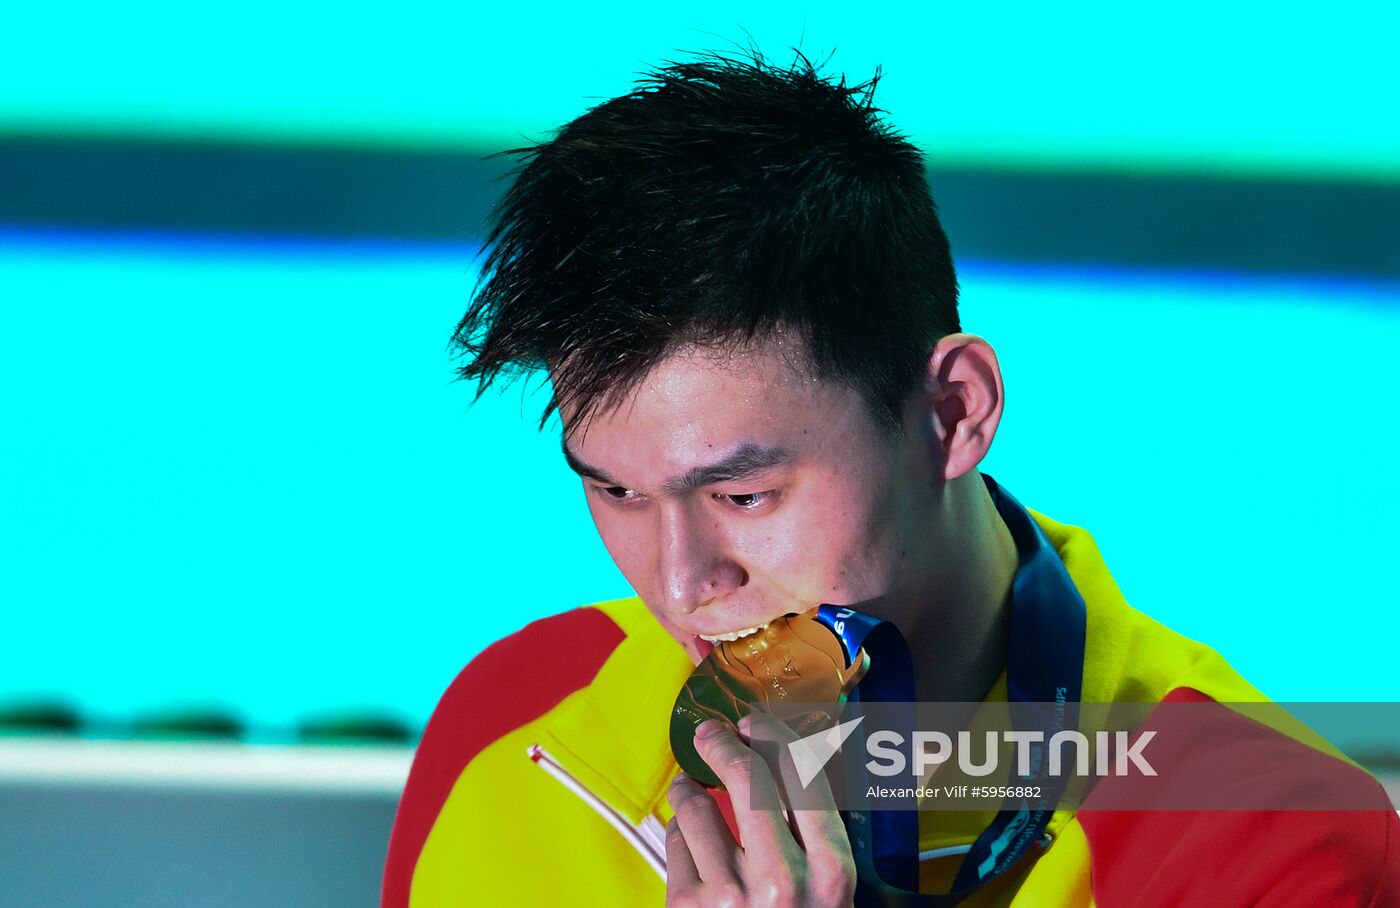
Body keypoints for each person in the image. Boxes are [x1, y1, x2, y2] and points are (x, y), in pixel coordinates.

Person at [381, 49, 1400, 907]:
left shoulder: (1274, 839)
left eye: (742, 495)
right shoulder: (506, 725)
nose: (681, 581)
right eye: (617, 492)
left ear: (952, 411)